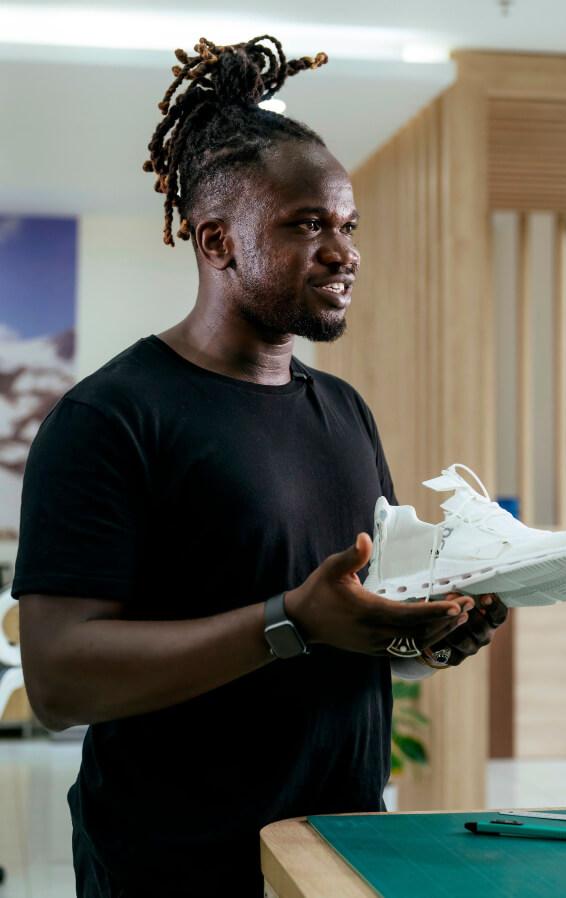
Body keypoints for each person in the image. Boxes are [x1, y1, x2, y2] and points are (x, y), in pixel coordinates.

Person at [13, 35, 507, 898]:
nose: (344, 252)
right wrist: (290, 621)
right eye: (307, 224)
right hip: (174, 867)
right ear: (217, 241)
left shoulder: (345, 411)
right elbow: (57, 680)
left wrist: (423, 634)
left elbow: (351, 626)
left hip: (337, 851)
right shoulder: (110, 418)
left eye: (348, 226)